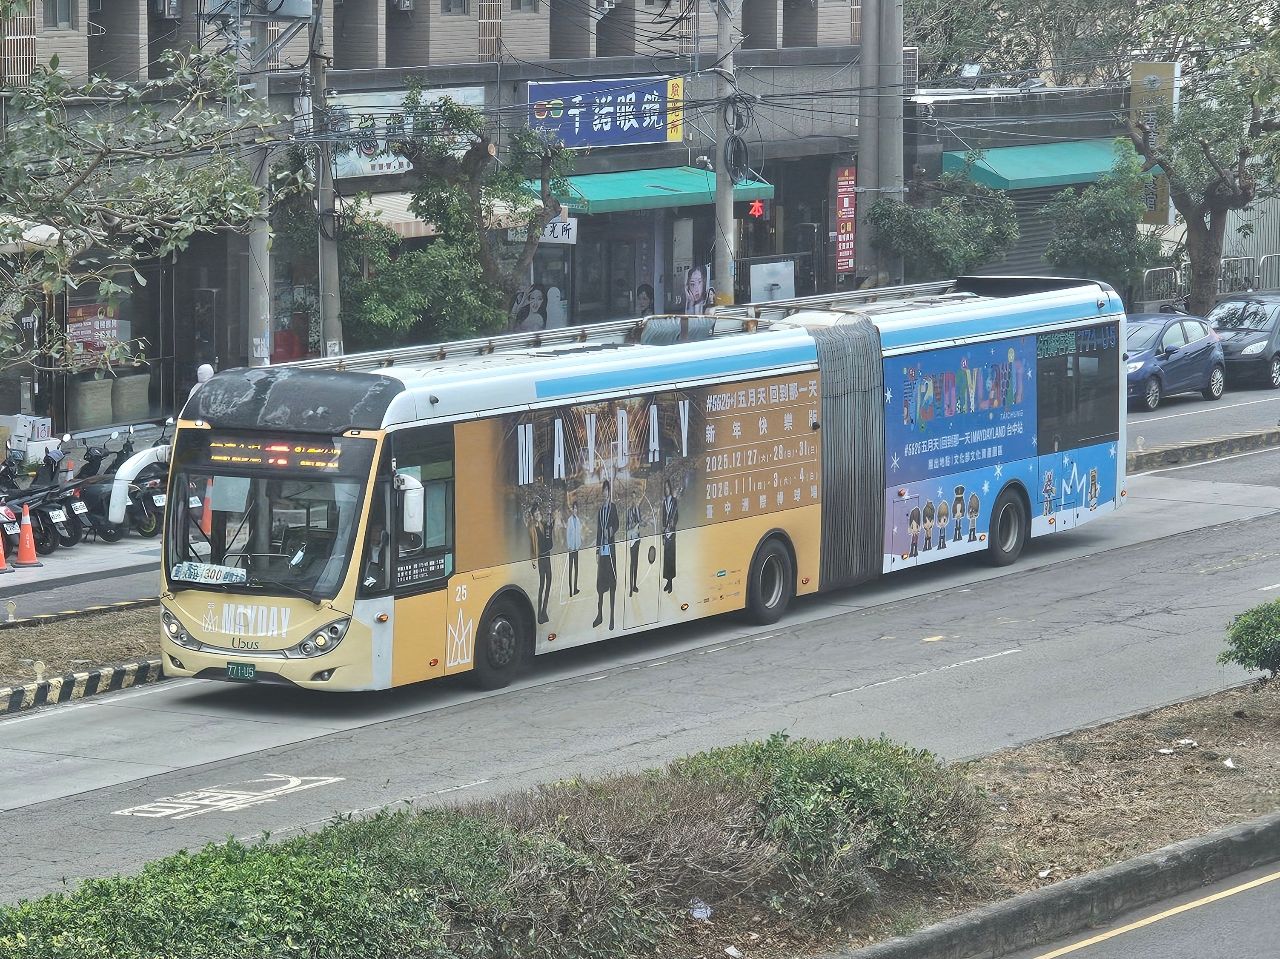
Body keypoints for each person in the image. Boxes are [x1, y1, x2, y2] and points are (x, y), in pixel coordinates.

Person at [593, 479, 619, 629]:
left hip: (610, 550)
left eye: (607, 490)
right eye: (603, 490)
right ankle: (600, 615)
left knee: (612, 583)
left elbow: (616, 524)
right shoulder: (601, 510)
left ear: (609, 492)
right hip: (602, 552)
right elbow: (598, 532)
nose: (605, 493)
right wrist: (597, 550)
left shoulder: (612, 508)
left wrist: (609, 531)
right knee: (601, 584)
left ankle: (612, 618)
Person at [528, 502, 554, 624]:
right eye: (536, 513)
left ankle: (544, 611)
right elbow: (532, 545)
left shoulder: (544, 525)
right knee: (542, 585)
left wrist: (550, 523)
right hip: (540, 558)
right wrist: (533, 559)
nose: (538, 514)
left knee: (549, 583)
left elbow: (549, 535)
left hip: (547, 556)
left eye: (539, 512)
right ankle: (539, 613)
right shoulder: (532, 529)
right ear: (533, 515)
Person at [661, 478, 678, 592]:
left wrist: (673, 523)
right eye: (665, 488)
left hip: (672, 533)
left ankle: (671, 583)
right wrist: (663, 535)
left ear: (670, 488)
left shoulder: (674, 501)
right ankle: (667, 581)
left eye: (667, 487)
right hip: (666, 533)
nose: (666, 489)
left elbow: (677, 516)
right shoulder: (664, 502)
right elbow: (663, 519)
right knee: (666, 559)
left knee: (671, 558)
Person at [626, 490, 643, 595]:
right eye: (632, 497)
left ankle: (635, 585)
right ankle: (630, 587)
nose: (633, 500)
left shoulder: (637, 510)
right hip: (631, 539)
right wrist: (633, 526)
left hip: (637, 539)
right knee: (632, 563)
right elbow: (627, 526)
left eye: (635, 498)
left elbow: (640, 521)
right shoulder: (628, 512)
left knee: (636, 563)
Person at [565, 499, 582, 596]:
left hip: (576, 548)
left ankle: (575, 588)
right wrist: (569, 546)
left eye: (576, 508)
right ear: (572, 510)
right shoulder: (569, 520)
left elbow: (579, 534)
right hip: (571, 548)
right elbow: (568, 535)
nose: (575, 510)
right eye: (574, 508)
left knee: (576, 568)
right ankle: (570, 590)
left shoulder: (578, 520)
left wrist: (579, 545)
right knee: (570, 569)